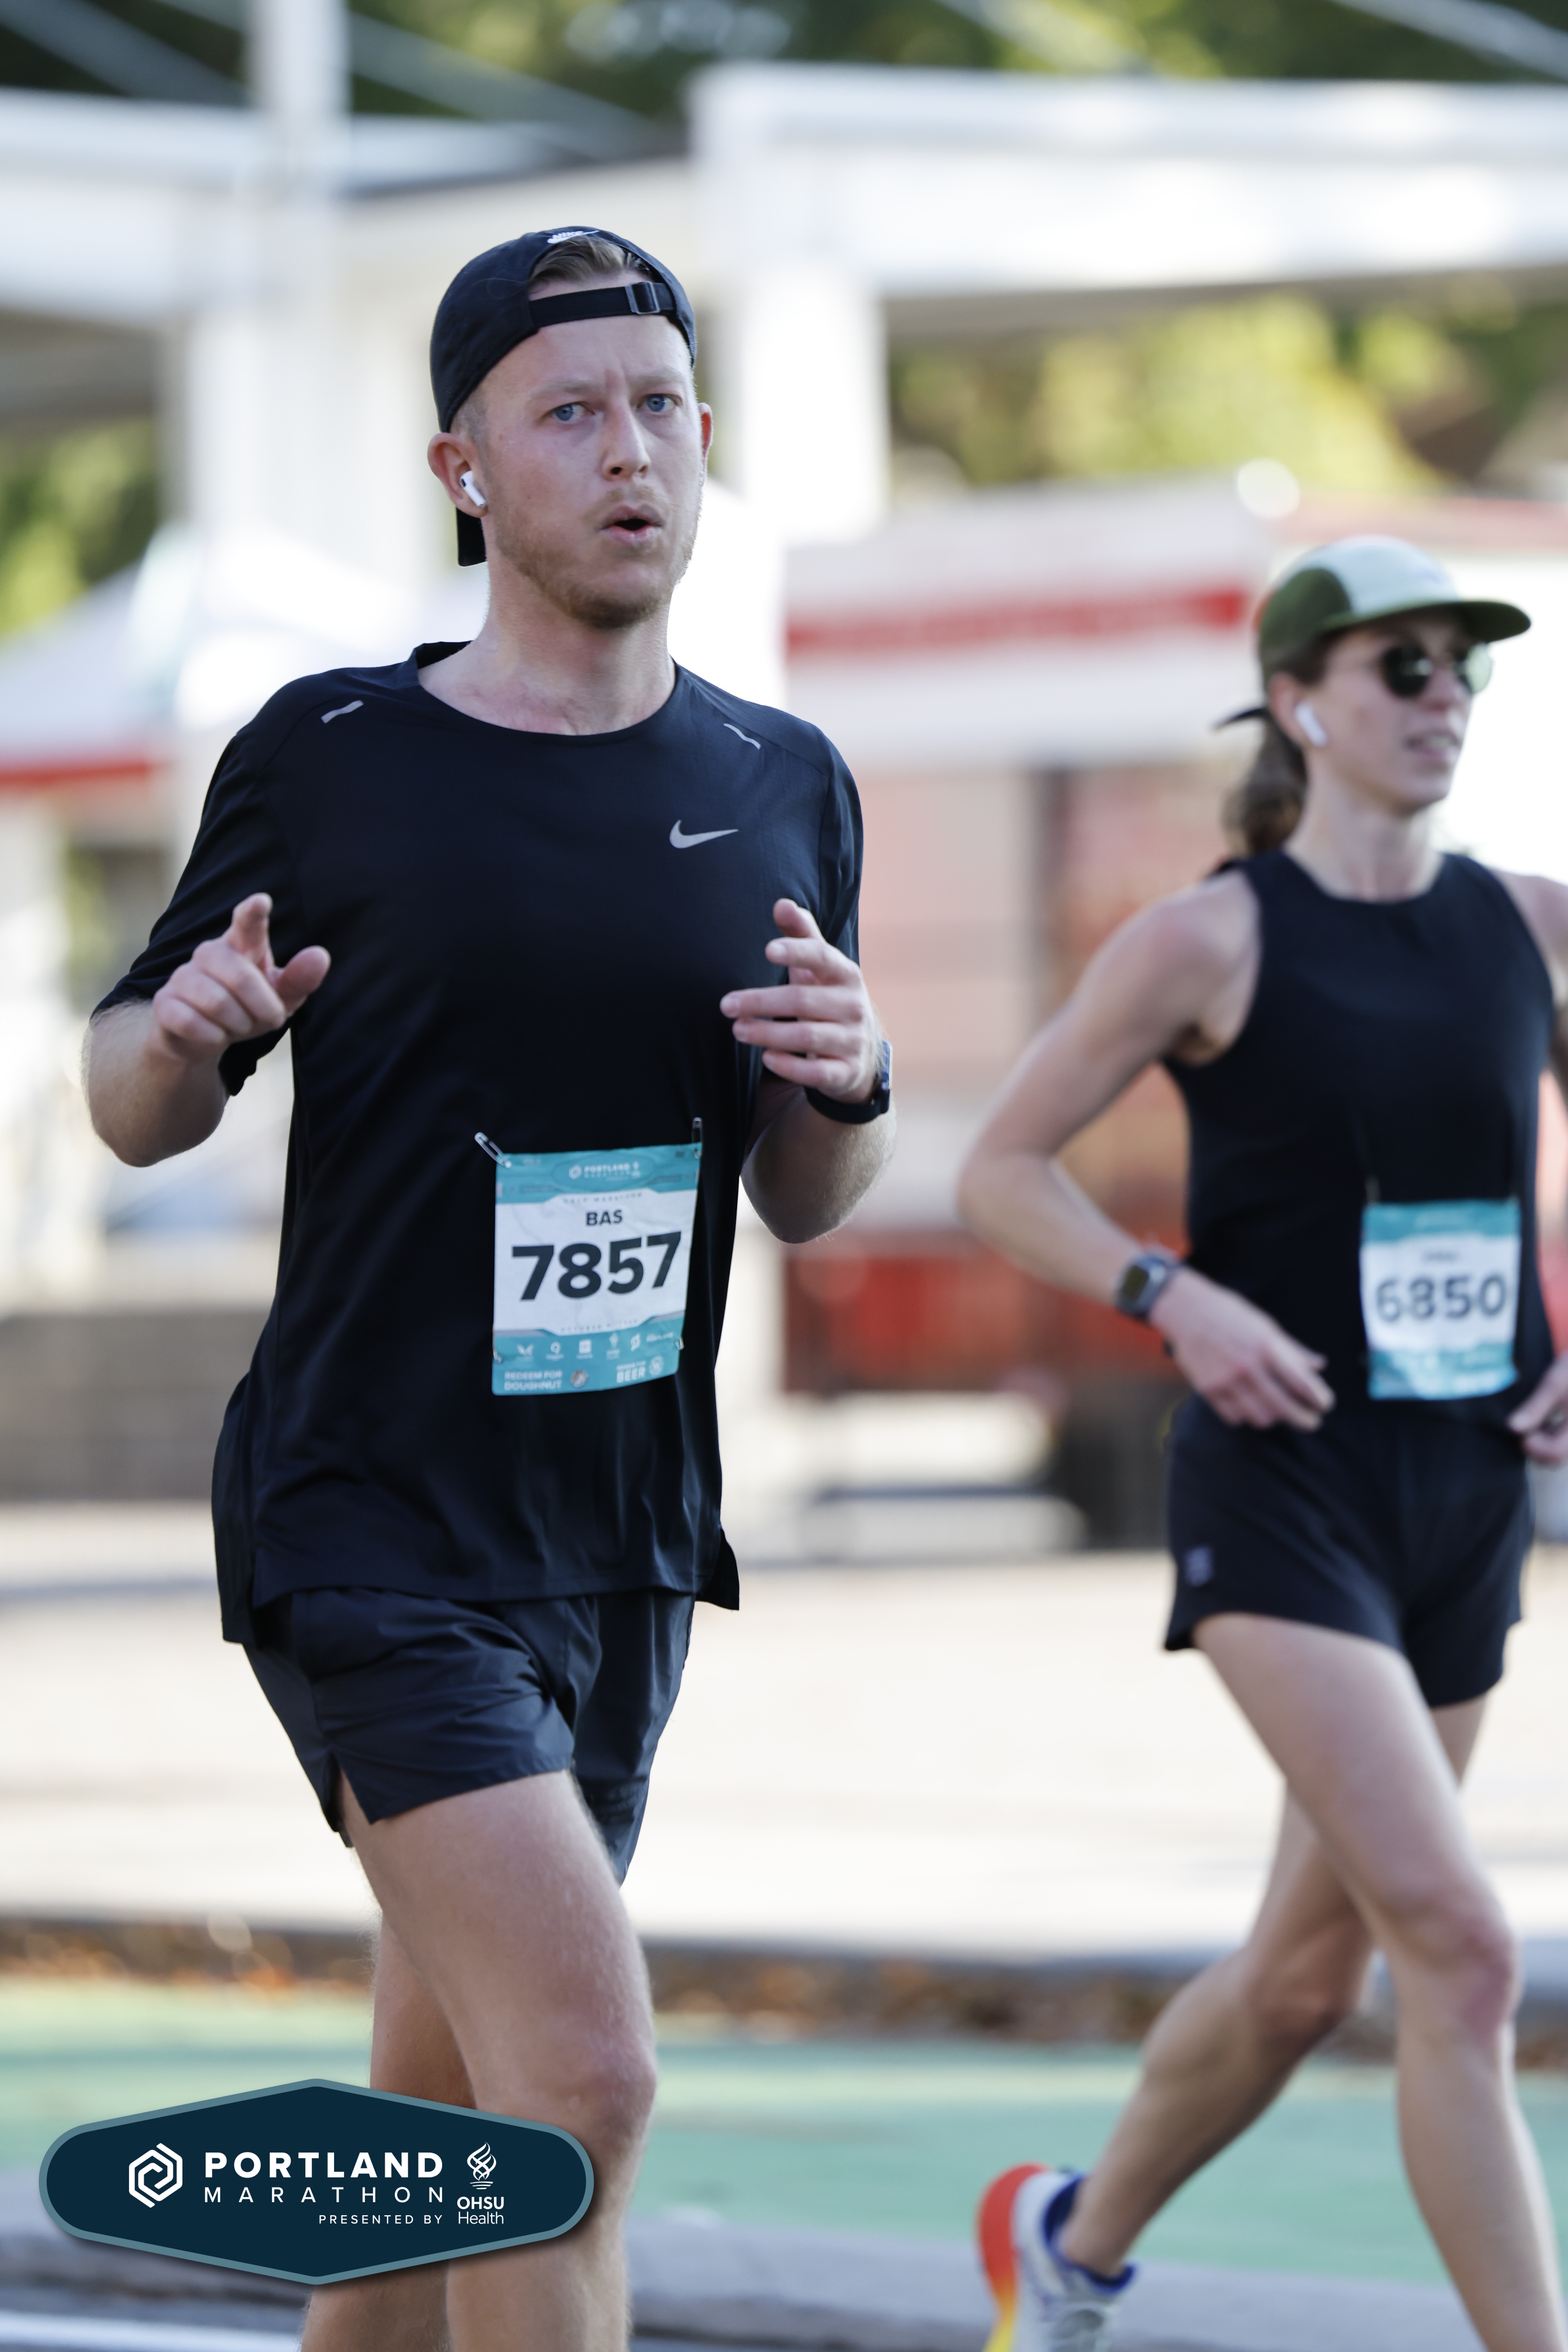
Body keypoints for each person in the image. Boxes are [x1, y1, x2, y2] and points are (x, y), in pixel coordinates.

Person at [85, 225, 893, 2352]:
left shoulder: (785, 778)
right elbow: (130, 1100)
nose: (631, 451)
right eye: (570, 412)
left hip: (621, 1535)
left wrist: (856, 1085)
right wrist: (184, 1036)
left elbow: (810, 1194)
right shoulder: (336, 751)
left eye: (663, 407)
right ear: (464, 470)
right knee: (579, 2091)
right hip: (371, 1520)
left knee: (440, 2129)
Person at [958, 536, 1568, 2352]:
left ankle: (1066, 2247)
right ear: (1299, 700)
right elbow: (1003, 1172)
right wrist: (1175, 1296)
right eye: (1405, 666)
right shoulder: (1209, 939)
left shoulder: (1531, 926)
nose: (1446, 697)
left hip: (1466, 1495)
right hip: (1285, 1490)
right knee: (1461, 1949)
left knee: (1309, 1976)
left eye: (1466, 666)